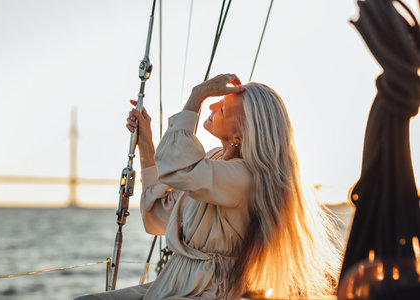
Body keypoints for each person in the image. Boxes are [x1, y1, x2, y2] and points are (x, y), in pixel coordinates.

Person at [75, 74, 342, 299]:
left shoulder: (243, 177)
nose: (212, 108)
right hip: (178, 281)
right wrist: (146, 143)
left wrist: (197, 95)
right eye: (214, 103)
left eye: (222, 108)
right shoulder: (214, 161)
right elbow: (159, 217)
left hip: (207, 291)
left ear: (239, 135)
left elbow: (180, 169)